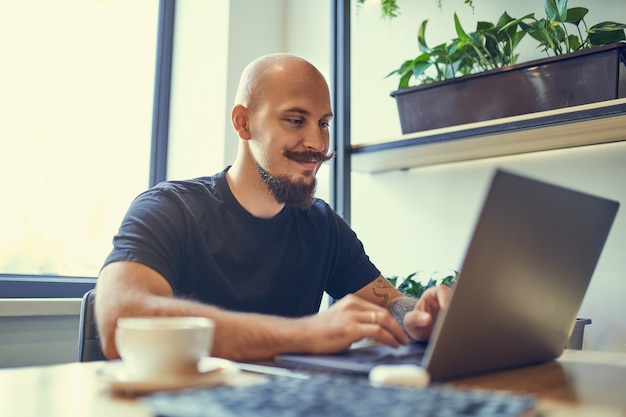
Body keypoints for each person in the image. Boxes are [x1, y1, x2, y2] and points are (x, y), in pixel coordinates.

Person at [95, 53, 450, 362]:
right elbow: (120, 324)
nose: (317, 143)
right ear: (243, 122)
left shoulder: (322, 226)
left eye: (323, 123)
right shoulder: (168, 210)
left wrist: (417, 316)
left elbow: (388, 303)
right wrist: (304, 335)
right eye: (295, 120)